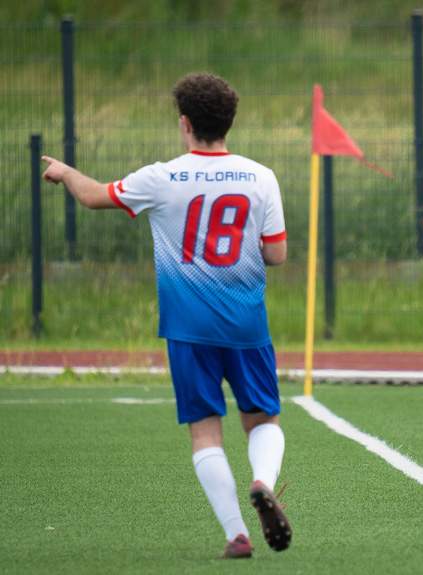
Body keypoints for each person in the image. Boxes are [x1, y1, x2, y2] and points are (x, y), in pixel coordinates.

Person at [42, 73, 292, 557]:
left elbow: (94, 196)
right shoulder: (261, 177)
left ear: (185, 123)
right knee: (263, 419)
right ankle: (262, 481)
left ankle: (237, 534)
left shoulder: (161, 177)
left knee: (205, 429)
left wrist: (67, 172)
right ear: (229, 122)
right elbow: (277, 255)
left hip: (187, 327)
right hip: (246, 323)